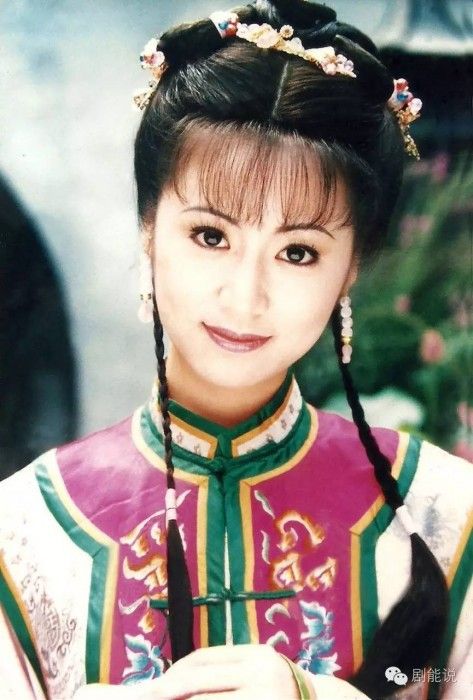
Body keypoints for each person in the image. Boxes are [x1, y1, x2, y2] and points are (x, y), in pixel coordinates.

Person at [0, 1, 471, 698]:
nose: (245, 297)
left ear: (351, 269)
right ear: (148, 228)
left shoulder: (445, 514)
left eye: (298, 252)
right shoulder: (24, 532)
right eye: (210, 236)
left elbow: (432, 678)